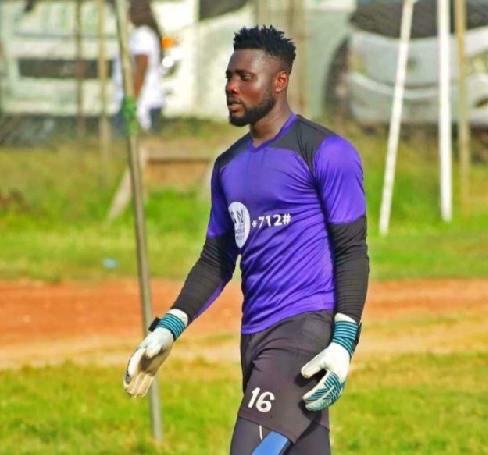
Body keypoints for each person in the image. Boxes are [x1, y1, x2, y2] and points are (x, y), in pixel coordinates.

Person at [123, 25, 369, 454]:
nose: (231, 88)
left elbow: (352, 251)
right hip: (254, 336)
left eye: (244, 78)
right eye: (228, 77)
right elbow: (217, 258)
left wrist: (343, 342)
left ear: (279, 80)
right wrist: (168, 328)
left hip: (303, 333)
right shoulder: (228, 166)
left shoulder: (326, 152)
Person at [112, 0, 165, 135]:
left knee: (127, 141)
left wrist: (132, 100)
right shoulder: (143, 34)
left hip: (142, 103)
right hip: (142, 100)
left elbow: (141, 69)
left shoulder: (142, 36)